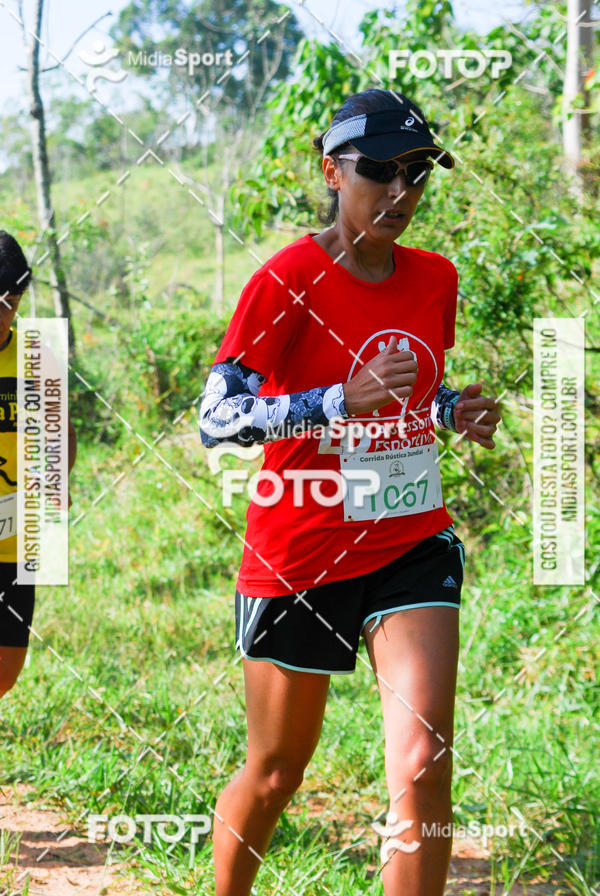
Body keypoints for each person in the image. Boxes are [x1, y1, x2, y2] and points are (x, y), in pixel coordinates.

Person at [199, 89, 501, 896]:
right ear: (333, 171)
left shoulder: (436, 278)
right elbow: (217, 420)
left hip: (408, 541)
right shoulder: (285, 280)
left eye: (417, 175)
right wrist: (337, 400)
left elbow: (407, 385)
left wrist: (451, 408)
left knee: (423, 762)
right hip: (298, 554)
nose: (401, 194)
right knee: (275, 774)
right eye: (380, 173)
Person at [0, 230, 77, 698]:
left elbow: (61, 431)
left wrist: (56, 479)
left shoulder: (35, 353)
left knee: (6, 672)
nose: (2, 315)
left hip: (15, 538)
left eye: (10, 302)